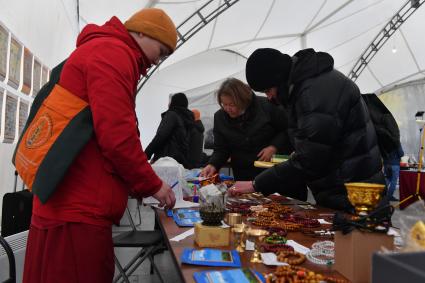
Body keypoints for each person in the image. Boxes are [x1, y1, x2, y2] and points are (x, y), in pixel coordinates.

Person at [21, 8, 177, 283]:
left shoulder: (101, 49)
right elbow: (117, 135)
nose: (158, 61)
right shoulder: (114, 54)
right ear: (142, 32)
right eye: (161, 51)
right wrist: (152, 185)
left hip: (65, 202)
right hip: (78, 208)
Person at [230, 48, 385, 212]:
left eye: (268, 90)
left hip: (353, 191)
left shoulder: (313, 93)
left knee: (361, 235)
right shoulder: (308, 84)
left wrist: (256, 184)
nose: (269, 97)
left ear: (279, 79)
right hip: (346, 185)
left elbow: (310, 158)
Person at [201, 78, 292, 181]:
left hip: (274, 171)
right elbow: (221, 149)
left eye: (232, 104)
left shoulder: (268, 106)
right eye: (224, 104)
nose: (227, 109)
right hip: (244, 175)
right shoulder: (220, 117)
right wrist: (213, 164)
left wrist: (274, 146)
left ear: (243, 100)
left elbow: (288, 129)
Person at [145, 92, 194, 167]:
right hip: (180, 161)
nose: (168, 104)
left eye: (170, 101)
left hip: (166, 160)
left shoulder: (172, 115)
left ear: (174, 102)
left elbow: (160, 136)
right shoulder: (187, 119)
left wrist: (146, 154)